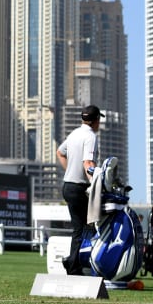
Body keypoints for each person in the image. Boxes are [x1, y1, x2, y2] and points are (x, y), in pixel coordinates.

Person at [56, 105, 103, 275]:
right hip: (80, 187)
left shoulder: (74, 133)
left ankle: (73, 262)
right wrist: (95, 183)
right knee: (89, 227)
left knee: (79, 228)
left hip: (68, 185)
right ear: (96, 120)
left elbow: (60, 152)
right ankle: (81, 263)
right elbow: (88, 163)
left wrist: (70, 169)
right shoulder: (90, 136)